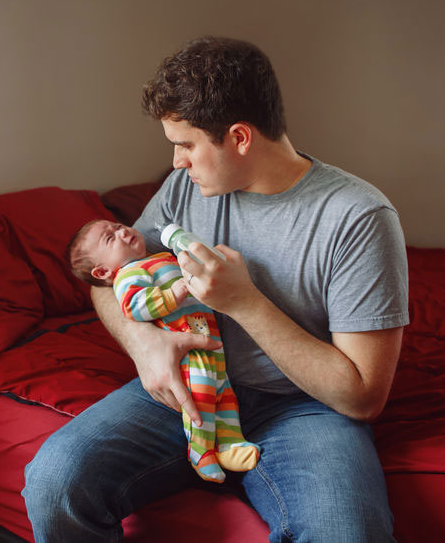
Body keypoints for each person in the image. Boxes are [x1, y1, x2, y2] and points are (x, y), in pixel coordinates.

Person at [23, 36, 409, 542]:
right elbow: (109, 282)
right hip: (190, 386)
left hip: (305, 407)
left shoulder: (358, 218)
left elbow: (362, 397)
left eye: (185, 145)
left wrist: (244, 303)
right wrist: (145, 345)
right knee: (53, 482)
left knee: (345, 533)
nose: (178, 162)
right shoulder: (183, 190)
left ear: (240, 138)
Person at [67, 219, 260, 483]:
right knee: (200, 399)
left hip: (207, 337)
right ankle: (202, 453)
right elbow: (134, 307)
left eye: (118, 225)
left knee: (223, 393)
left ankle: (231, 444)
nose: (123, 231)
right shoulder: (129, 274)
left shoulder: (162, 258)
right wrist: (175, 292)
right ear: (102, 273)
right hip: (185, 350)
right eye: (110, 238)